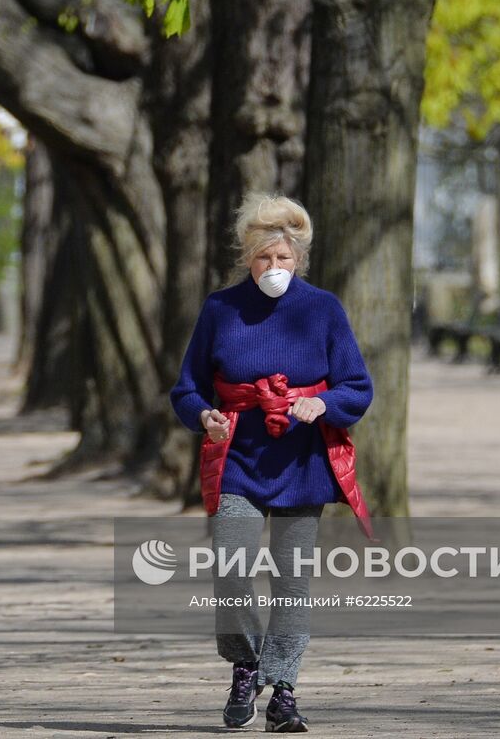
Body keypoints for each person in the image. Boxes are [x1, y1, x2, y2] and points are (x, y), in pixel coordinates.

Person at [169, 192, 375, 733]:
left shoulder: (324, 308)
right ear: (247, 257)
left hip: (303, 464)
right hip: (238, 459)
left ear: (299, 259)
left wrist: (323, 403)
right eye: (265, 257)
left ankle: (283, 691)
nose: (274, 268)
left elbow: (358, 386)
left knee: (292, 582)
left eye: (284, 259)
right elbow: (186, 389)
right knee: (231, 569)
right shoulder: (220, 309)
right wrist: (204, 416)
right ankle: (245, 664)